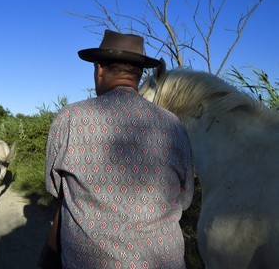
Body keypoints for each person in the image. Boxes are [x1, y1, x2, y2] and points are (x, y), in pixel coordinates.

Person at [41, 30, 194, 269]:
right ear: (140, 73)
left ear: (99, 68)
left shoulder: (70, 118)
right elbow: (185, 199)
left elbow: (56, 188)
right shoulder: (173, 125)